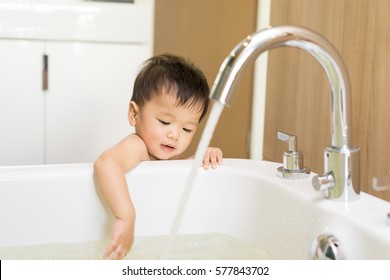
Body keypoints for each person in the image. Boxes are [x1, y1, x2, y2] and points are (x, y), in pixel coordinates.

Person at [94, 54, 223, 259]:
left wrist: (202, 157)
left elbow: (178, 179)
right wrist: (125, 217)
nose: (175, 134)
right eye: (164, 122)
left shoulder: (171, 157)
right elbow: (106, 164)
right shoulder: (138, 147)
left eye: (187, 129)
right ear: (134, 114)